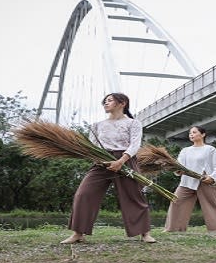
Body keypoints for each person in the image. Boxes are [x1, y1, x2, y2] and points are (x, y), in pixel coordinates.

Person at [60, 93, 155, 244]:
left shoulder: (133, 123)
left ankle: (145, 234)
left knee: (134, 196)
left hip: (126, 160)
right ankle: (78, 233)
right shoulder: (97, 125)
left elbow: (135, 144)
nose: (105, 103)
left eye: (109, 100)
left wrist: (121, 161)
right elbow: (92, 146)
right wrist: (99, 160)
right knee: (83, 194)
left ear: (122, 103)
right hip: (101, 161)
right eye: (104, 101)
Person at [163, 126, 216, 233]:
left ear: (203, 134)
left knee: (212, 204)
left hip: (205, 181)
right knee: (176, 201)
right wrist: (177, 170)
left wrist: (211, 177)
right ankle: (174, 229)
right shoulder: (185, 150)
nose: (191, 135)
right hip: (187, 181)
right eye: (190, 133)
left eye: (194, 132)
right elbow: (179, 165)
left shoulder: (210, 149)